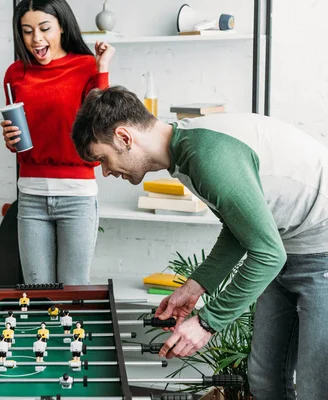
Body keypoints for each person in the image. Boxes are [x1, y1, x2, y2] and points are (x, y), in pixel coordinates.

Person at [71, 85, 328, 400]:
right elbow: (242, 227)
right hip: (288, 243)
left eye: (103, 159)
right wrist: (196, 286)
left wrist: (206, 324)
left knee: (316, 389)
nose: (106, 172)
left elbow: (267, 254)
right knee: (265, 379)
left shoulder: (206, 158)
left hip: (321, 249)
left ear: (125, 138)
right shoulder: (185, 153)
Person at [1, 0, 115, 285]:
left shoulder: (86, 67)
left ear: (62, 26)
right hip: (31, 197)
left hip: (77, 196)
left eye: (44, 28)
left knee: (74, 293)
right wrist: (10, 139)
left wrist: (101, 69)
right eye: (27, 31)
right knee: (38, 293)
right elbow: (20, 138)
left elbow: (101, 126)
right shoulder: (15, 73)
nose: (36, 38)